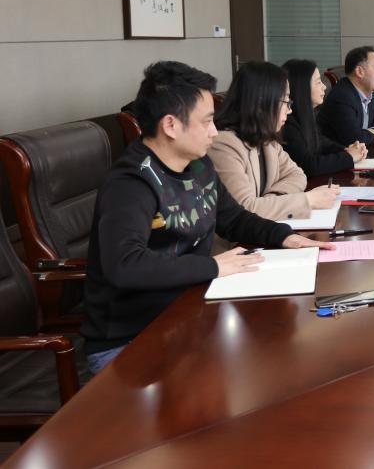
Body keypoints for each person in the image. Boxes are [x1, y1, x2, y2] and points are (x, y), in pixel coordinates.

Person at [82, 61, 333, 373]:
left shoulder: (199, 166)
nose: (215, 131)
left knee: (283, 355)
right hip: (132, 340)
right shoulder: (131, 183)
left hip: (191, 315)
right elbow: (126, 264)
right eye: (207, 122)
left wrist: (284, 236)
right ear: (171, 125)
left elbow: (234, 219)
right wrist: (213, 266)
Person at [209, 62, 341, 220]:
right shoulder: (224, 145)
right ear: (260, 103)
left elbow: (298, 175)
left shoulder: (267, 141)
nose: (289, 110)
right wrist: (307, 200)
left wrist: (270, 201)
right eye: (285, 102)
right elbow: (244, 209)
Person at [281, 59, 368, 177]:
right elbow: (309, 166)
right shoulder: (287, 124)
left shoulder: (307, 116)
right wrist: (349, 156)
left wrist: (347, 150)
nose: (324, 87)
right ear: (302, 88)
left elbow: (322, 143)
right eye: (318, 82)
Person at [319, 45, 374, 147]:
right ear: (359, 71)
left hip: (361, 152)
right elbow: (354, 139)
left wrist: (373, 130)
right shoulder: (342, 97)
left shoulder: (367, 93)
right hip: (339, 154)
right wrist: (373, 135)